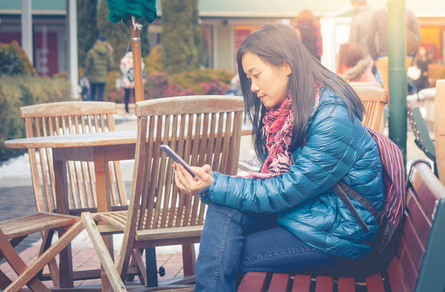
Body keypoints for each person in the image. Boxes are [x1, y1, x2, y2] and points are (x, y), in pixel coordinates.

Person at [173, 24, 384, 291]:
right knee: (223, 210)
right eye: (249, 79)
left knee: (225, 254)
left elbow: (286, 189)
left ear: (286, 65)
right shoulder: (290, 111)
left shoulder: (332, 117)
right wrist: (212, 184)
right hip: (309, 214)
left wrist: (215, 184)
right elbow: (277, 184)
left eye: (256, 75)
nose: (253, 87)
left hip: (339, 237)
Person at [84, 36, 114, 101]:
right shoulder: (108, 51)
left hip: (93, 77)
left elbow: (87, 66)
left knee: (93, 94)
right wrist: (106, 71)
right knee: (101, 94)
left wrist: (86, 75)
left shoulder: (91, 52)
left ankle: (92, 110)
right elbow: (111, 65)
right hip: (103, 76)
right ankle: (101, 110)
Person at [119, 46, 146, 114]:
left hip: (126, 80)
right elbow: (142, 69)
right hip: (136, 80)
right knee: (136, 96)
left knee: (127, 96)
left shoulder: (124, 59)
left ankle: (127, 110)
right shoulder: (138, 58)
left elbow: (121, 70)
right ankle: (137, 110)